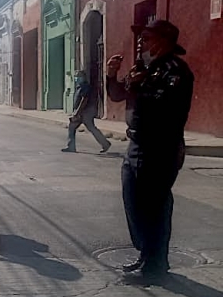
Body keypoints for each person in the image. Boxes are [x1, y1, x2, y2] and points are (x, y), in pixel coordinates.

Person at [106, 19, 194, 280]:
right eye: (140, 38)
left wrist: (138, 85)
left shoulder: (175, 71)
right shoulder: (144, 68)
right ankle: (146, 253)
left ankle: (155, 265)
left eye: (146, 39)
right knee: (133, 200)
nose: (140, 44)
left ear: (163, 42)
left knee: (154, 206)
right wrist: (111, 74)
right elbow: (117, 95)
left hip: (160, 147)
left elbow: (161, 109)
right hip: (137, 144)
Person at [62, 71, 111, 154]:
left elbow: (84, 100)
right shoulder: (79, 87)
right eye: (76, 76)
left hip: (85, 112)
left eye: (78, 76)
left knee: (86, 128)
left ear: (84, 77)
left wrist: (77, 112)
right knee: (76, 127)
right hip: (82, 112)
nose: (76, 78)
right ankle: (105, 144)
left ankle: (105, 144)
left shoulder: (85, 87)